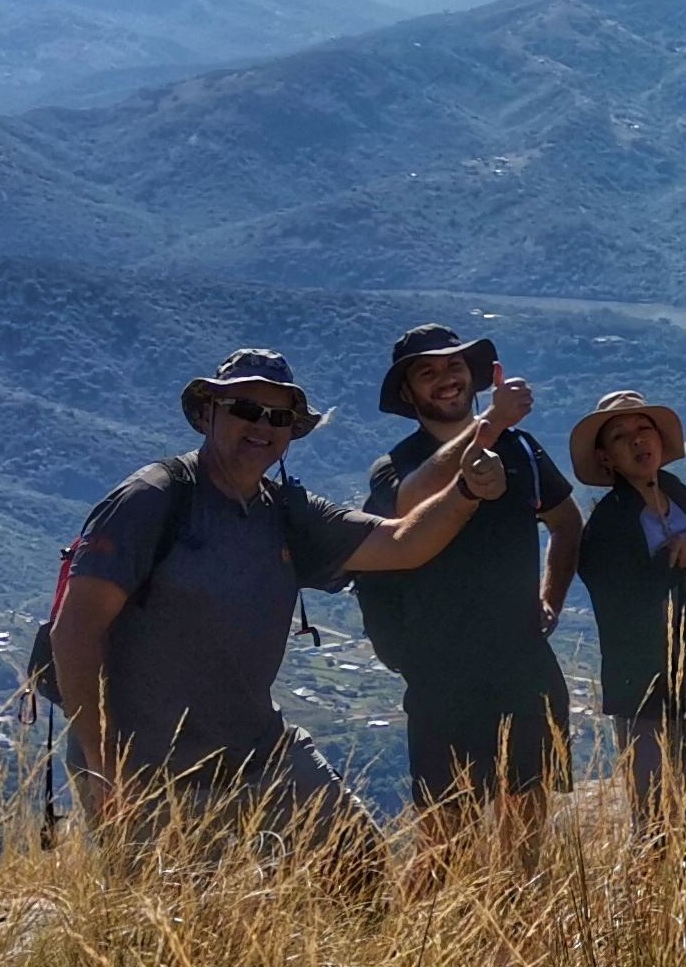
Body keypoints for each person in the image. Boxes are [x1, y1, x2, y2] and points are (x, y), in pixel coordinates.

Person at [47, 348, 504, 885]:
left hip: (257, 750)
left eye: (279, 416)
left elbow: (402, 542)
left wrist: (468, 490)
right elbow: (76, 629)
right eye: (246, 407)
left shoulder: (285, 511)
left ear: (291, 433)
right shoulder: (154, 499)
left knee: (360, 872)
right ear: (207, 412)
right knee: (177, 928)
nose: (262, 425)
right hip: (147, 768)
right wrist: (102, 766)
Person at [353, 323, 581, 856]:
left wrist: (552, 599)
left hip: (521, 664)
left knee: (524, 843)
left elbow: (567, 523)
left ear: (472, 374)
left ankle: (516, 933)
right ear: (408, 394)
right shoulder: (396, 466)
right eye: (427, 372)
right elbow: (409, 505)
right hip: (440, 674)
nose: (446, 379)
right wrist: (491, 423)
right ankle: (434, 936)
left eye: (454, 366)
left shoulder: (522, 450)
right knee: (444, 848)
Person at [567, 390, 686, 835]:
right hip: (645, 688)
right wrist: (676, 558)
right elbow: (622, 606)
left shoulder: (683, 498)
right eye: (621, 437)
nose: (637, 441)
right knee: (655, 819)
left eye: (644, 430)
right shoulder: (606, 527)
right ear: (606, 459)